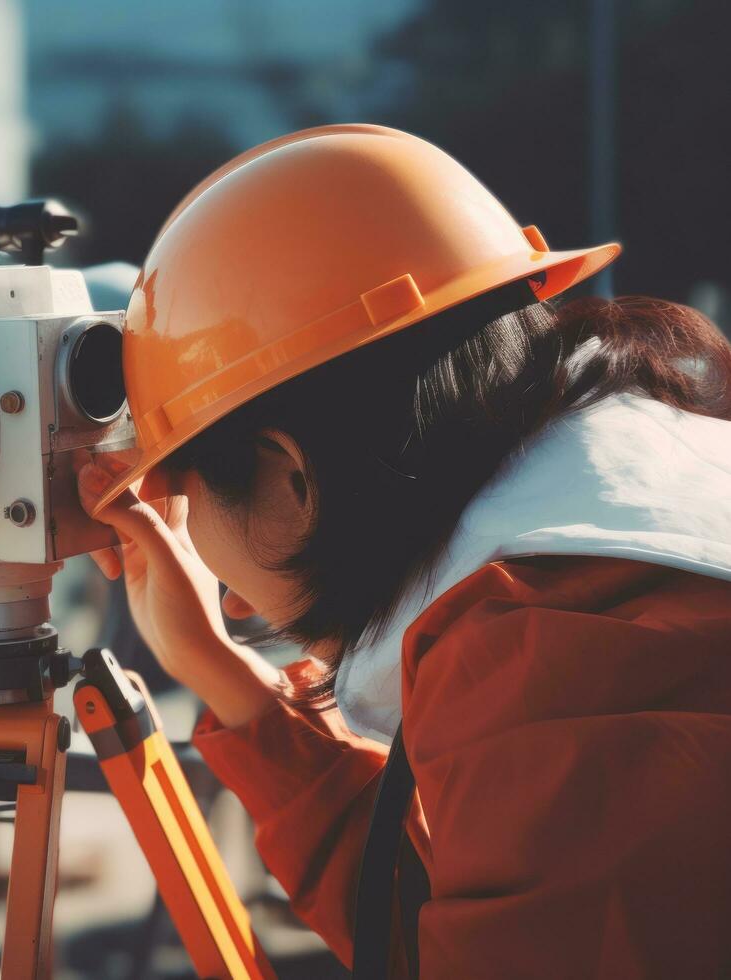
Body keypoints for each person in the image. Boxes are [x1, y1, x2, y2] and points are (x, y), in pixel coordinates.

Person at [78, 125, 731, 978]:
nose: (230, 597)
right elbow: (457, 920)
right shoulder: (642, 513)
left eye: (183, 493)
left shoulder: (549, 664)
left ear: (287, 477)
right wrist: (218, 670)